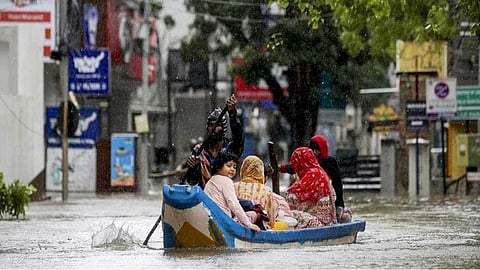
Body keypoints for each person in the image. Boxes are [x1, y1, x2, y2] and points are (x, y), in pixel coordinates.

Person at [279, 134, 351, 223]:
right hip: (325, 204)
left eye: (316, 150)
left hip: (320, 207)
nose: (314, 153)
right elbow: (296, 166)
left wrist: (339, 204)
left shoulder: (318, 167)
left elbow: (337, 183)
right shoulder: (313, 167)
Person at [183, 94, 244, 189]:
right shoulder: (199, 151)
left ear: (223, 129)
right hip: (204, 196)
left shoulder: (229, 150)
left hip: (224, 196)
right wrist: (193, 167)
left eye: (217, 125)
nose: (213, 128)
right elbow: (192, 181)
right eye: (211, 125)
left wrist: (232, 113)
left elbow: (239, 137)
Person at [204, 150, 261, 232]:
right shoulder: (226, 180)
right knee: (253, 214)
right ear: (218, 166)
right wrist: (249, 224)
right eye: (229, 165)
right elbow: (234, 204)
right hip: (224, 223)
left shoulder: (211, 180)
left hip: (210, 220)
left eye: (234, 167)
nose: (232, 169)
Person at [285, 147, 337, 228]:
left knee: (286, 213)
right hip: (329, 221)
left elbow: (293, 196)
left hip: (316, 223)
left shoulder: (312, 174)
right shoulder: (321, 172)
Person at [234, 155, 277, 229]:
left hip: (236, 225)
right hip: (259, 229)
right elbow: (271, 221)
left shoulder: (234, 186)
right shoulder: (266, 190)